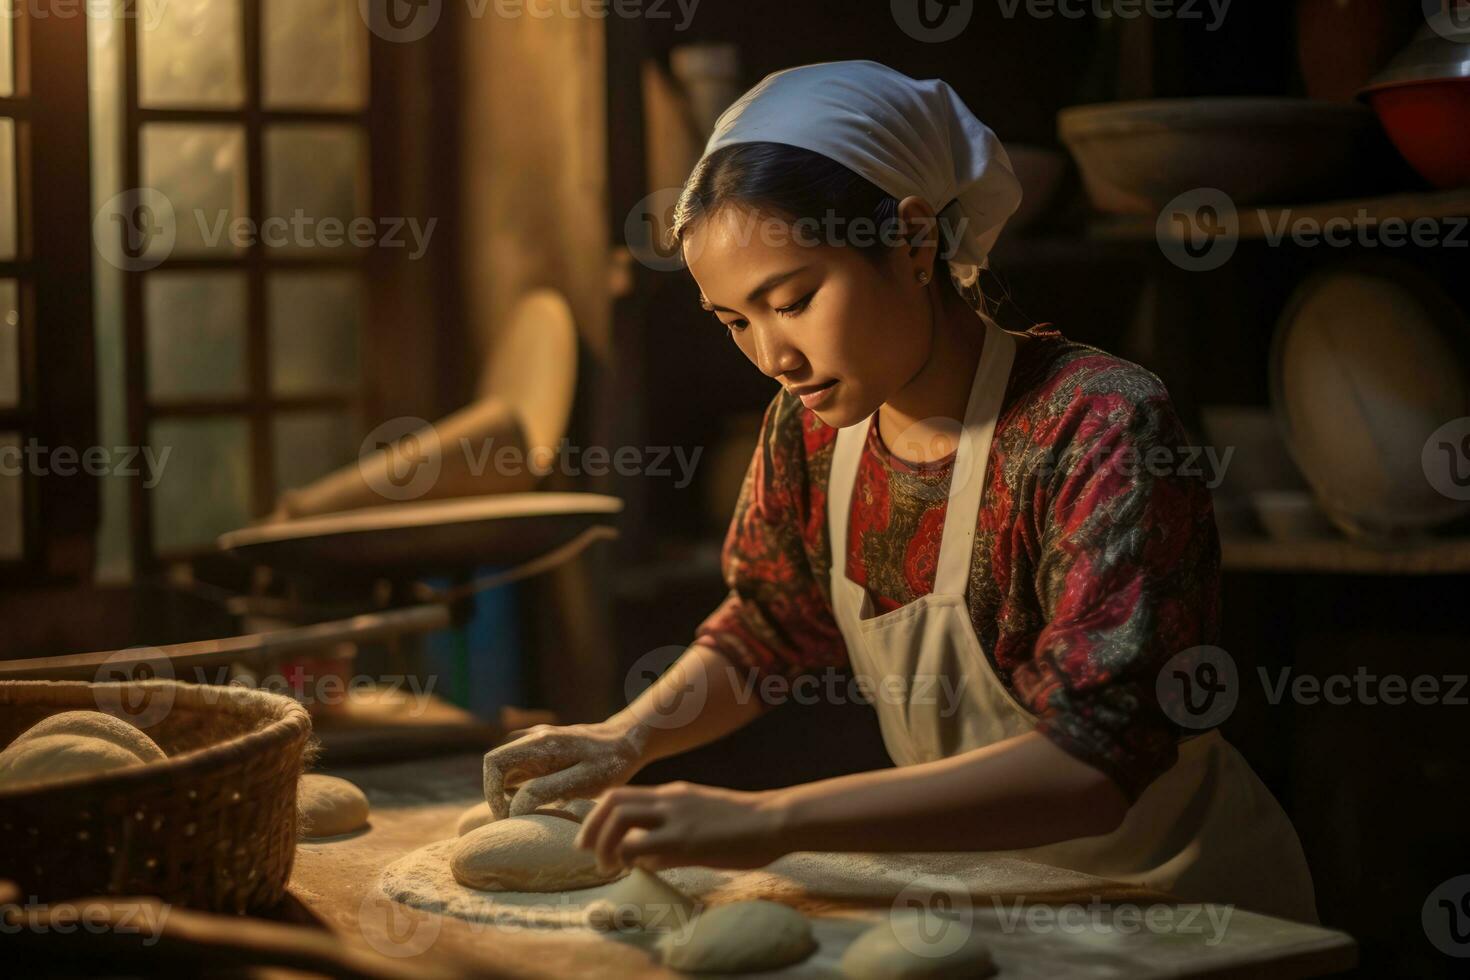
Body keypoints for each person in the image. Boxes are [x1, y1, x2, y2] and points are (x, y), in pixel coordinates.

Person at [482, 60, 1317, 924]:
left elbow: (1095, 765)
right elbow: (768, 626)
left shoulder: (1095, 424)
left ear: (914, 240)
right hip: (984, 895)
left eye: (793, 299)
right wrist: (626, 739)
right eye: (735, 321)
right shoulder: (809, 429)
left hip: (1177, 905)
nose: (773, 356)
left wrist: (769, 820)